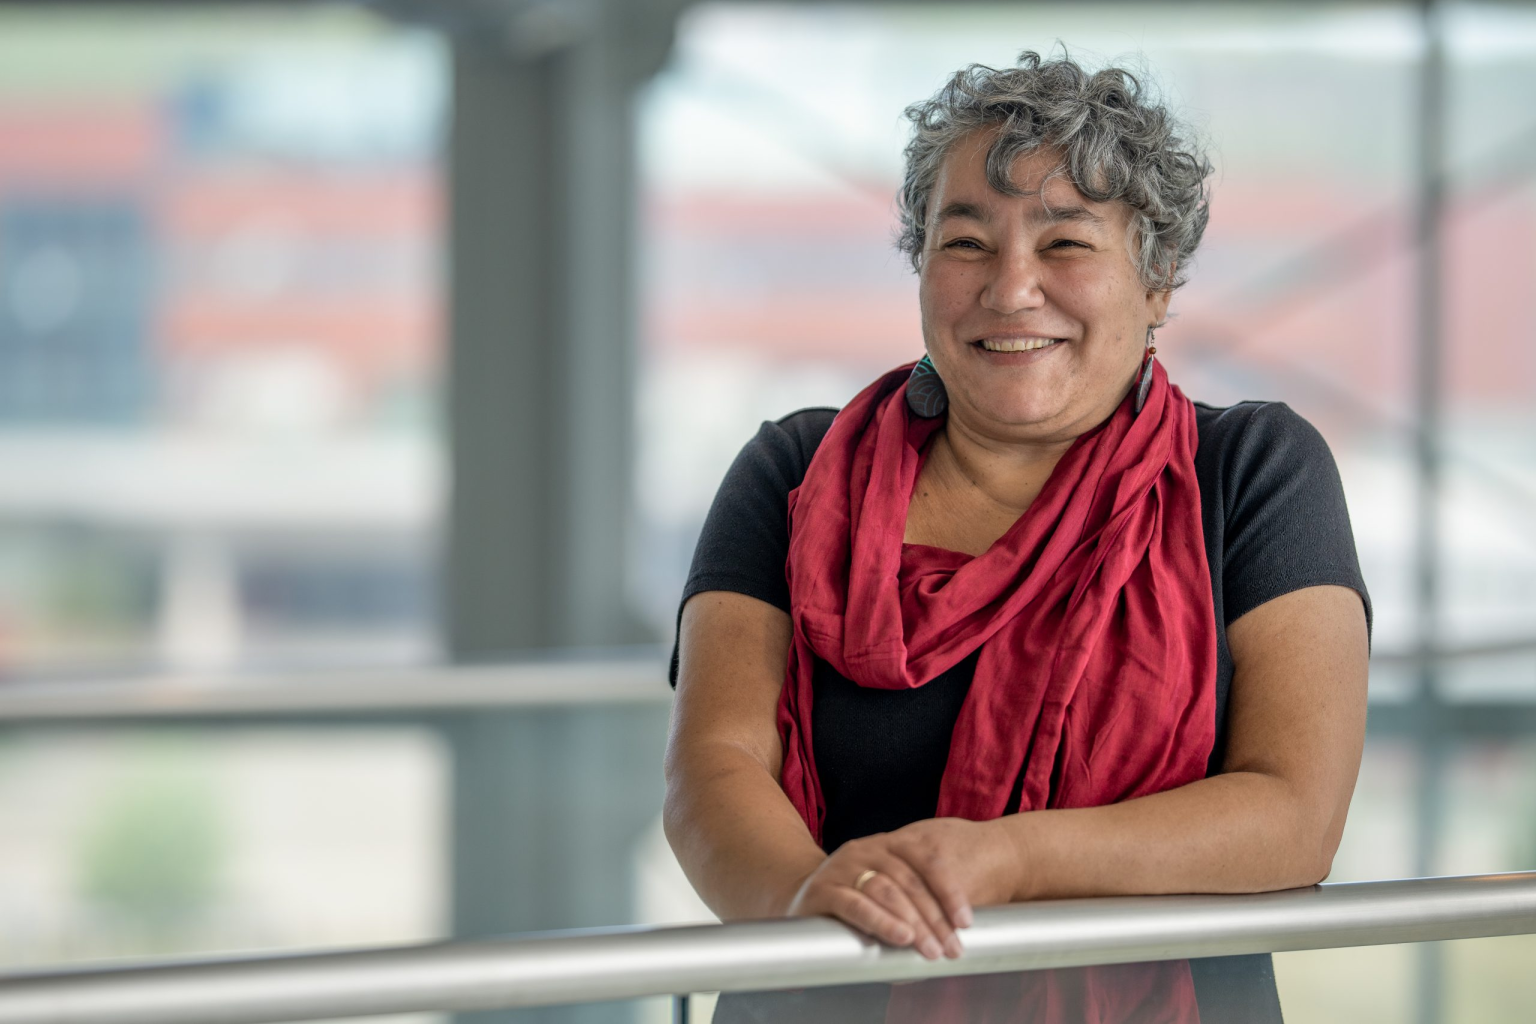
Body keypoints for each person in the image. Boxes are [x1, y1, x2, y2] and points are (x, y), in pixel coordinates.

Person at [663, 50, 1371, 1022]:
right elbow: (713, 768)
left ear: (1157, 280)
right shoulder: (794, 472)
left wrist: (1005, 858)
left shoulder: (1253, 472)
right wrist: (804, 900)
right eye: (964, 242)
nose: (1010, 287)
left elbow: (1293, 814)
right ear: (920, 268)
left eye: (1066, 242)